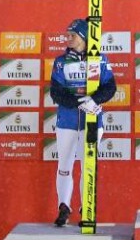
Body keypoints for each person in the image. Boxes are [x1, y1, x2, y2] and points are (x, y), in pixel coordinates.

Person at [49, 17, 117, 227]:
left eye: (72, 36)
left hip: (92, 120)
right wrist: (78, 102)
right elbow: (56, 92)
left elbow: (110, 87)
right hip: (67, 120)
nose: (67, 39)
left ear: (84, 38)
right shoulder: (61, 61)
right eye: (67, 35)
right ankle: (63, 206)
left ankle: (86, 207)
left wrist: (94, 100)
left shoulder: (99, 59)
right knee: (65, 165)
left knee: (88, 165)